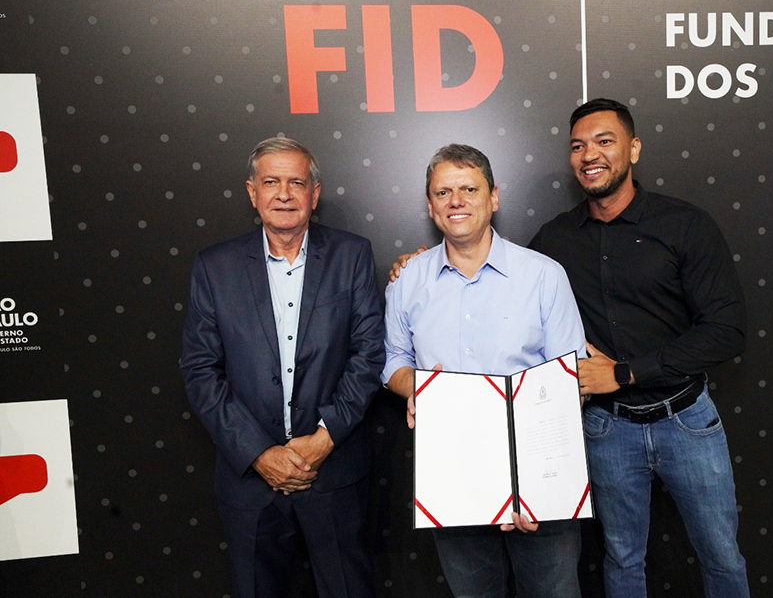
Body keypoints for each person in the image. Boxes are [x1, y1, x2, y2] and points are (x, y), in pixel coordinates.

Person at [528, 98, 750, 597]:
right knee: (622, 559)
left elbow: (727, 330)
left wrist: (625, 372)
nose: (590, 154)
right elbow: (498, 276)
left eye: (604, 141)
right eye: (578, 146)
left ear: (633, 149)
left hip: (687, 420)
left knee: (721, 556)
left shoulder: (685, 225)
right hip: (607, 429)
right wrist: (421, 263)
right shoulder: (554, 240)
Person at [180, 137, 385, 598]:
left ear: (315, 193)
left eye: (297, 182)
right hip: (250, 481)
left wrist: (323, 440)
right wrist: (259, 454)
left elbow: (369, 353)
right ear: (252, 192)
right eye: (271, 182)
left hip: (333, 472)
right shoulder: (215, 267)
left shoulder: (351, 255)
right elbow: (200, 371)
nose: (284, 194)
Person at [383, 144, 588, 598]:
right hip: (452, 475)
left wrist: (539, 485)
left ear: (493, 197)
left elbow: (572, 379)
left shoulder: (544, 275)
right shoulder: (406, 281)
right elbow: (393, 359)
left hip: (537, 476)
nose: (456, 201)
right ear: (430, 205)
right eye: (443, 192)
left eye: (469, 189)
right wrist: (418, 388)